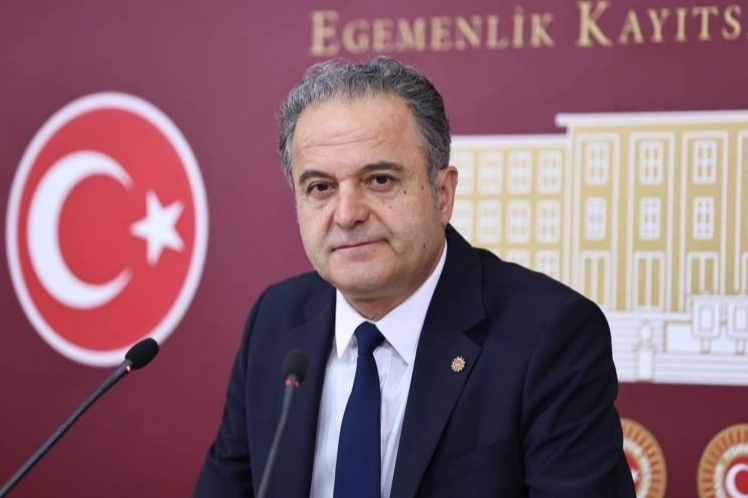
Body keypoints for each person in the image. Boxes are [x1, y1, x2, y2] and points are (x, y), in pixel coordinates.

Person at [194, 55, 635, 497]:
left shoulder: (548, 336)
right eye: (321, 188)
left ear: (442, 195)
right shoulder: (275, 322)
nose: (347, 214)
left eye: (379, 180)